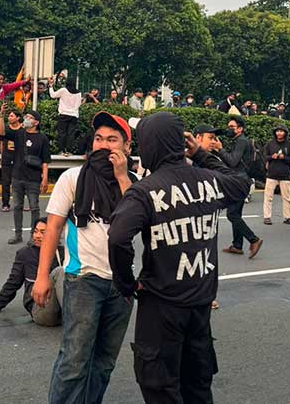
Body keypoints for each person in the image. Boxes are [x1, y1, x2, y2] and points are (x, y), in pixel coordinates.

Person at [107, 111, 250, 404]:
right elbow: (240, 182)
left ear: (150, 145)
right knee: (197, 385)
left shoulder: (144, 191)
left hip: (161, 306)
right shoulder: (209, 181)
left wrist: (127, 285)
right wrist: (200, 155)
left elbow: (119, 237)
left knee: (160, 386)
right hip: (200, 306)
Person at [32, 111, 137, 403]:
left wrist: (122, 176)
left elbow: (136, 222)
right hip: (82, 279)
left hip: (121, 285)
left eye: (112, 140)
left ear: (126, 147)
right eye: (99, 139)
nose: (103, 145)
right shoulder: (73, 177)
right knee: (74, 362)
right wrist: (42, 277)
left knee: (104, 362)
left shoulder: (134, 182)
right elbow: (52, 228)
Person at [0, 218, 64, 325]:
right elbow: (13, 282)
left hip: (62, 311)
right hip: (41, 310)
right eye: (35, 231)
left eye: (43, 233)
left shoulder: (62, 252)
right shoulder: (25, 254)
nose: (37, 236)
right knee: (60, 272)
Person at [215, 118, 264, 259]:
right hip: (241, 180)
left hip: (238, 181)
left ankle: (254, 240)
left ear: (240, 129)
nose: (229, 128)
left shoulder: (241, 141)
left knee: (232, 215)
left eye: (232, 126)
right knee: (236, 213)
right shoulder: (240, 140)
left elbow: (232, 161)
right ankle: (237, 245)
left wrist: (220, 149)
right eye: (228, 126)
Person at [10, 110, 51, 244]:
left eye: (30, 117)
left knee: (34, 207)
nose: (26, 118)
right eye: (26, 116)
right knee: (17, 206)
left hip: (33, 178)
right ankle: (18, 234)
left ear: (36, 122)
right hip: (17, 176)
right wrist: (1, 115)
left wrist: (45, 178)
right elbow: (2, 133)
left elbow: (45, 160)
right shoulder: (19, 134)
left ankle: (35, 235)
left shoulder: (42, 138)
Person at [263, 124, 290, 226]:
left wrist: (284, 157)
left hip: (285, 174)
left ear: (285, 133)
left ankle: (288, 217)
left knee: (287, 197)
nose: (279, 133)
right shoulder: (270, 144)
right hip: (271, 173)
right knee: (268, 197)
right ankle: (267, 217)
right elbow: (264, 156)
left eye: (281, 131)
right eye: (277, 131)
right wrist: (271, 157)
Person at [48, 74, 83, 156]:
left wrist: (50, 86)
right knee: (71, 133)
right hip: (74, 115)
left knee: (62, 133)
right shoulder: (79, 93)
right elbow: (78, 104)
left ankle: (61, 150)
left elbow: (53, 95)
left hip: (63, 114)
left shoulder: (63, 90)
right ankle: (69, 150)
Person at [0, 103, 22, 213]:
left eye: (12, 116)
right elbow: (1, 136)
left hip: (19, 159)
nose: (10, 117)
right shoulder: (6, 129)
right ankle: (5, 204)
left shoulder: (23, 130)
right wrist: (1, 114)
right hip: (7, 158)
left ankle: (19, 203)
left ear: (18, 118)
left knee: (20, 182)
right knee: (6, 182)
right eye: (9, 116)